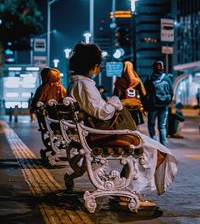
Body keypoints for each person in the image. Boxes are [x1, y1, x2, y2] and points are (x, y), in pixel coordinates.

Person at [68, 42, 177, 205]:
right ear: (94, 66)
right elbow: (102, 112)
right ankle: (129, 192)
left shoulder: (77, 84)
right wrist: (118, 102)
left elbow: (97, 110)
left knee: (154, 149)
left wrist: (119, 102)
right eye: (99, 66)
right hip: (100, 134)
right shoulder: (84, 85)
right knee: (158, 152)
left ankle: (127, 190)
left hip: (93, 132)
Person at [144, 60, 174, 146]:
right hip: (164, 106)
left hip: (152, 106)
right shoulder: (167, 78)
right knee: (162, 126)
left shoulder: (150, 78)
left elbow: (145, 93)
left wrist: (146, 105)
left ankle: (154, 142)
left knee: (151, 124)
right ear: (163, 68)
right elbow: (171, 92)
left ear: (153, 67)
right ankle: (163, 145)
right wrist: (167, 101)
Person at [113, 61, 146, 128]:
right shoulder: (137, 80)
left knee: (124, 125)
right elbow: (143, 93)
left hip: (123, 107)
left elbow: (116, 94)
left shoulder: (119, 79)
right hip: (135, 107)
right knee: (134, 126)